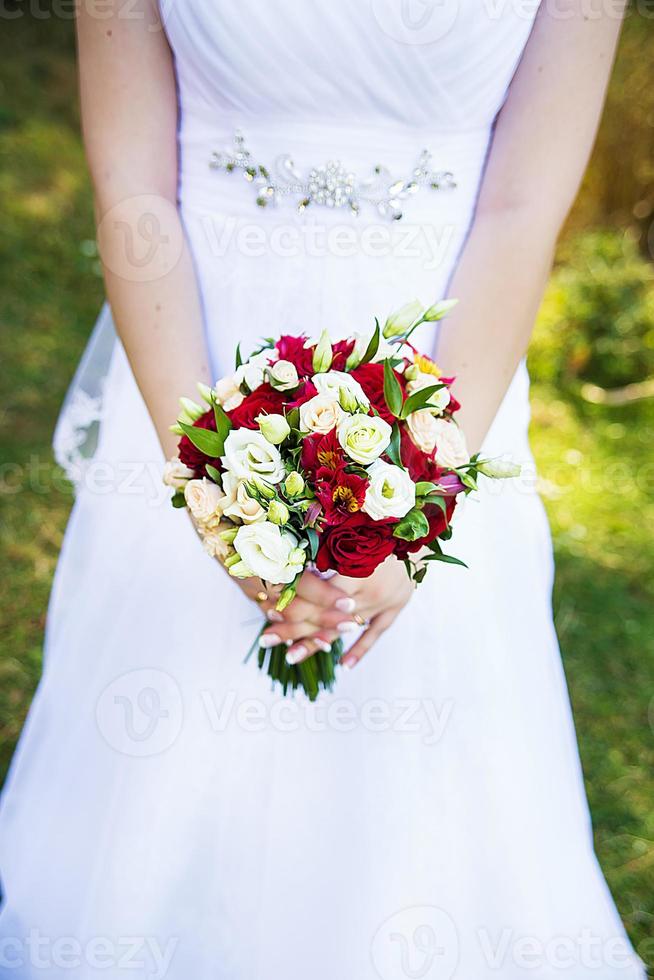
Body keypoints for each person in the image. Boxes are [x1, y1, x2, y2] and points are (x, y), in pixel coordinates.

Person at [0, 1, 644, 977]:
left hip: (439, 382)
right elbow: (134, 189)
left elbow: (521, 209)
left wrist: (422, 501)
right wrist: (216, 495)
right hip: (198, 361)